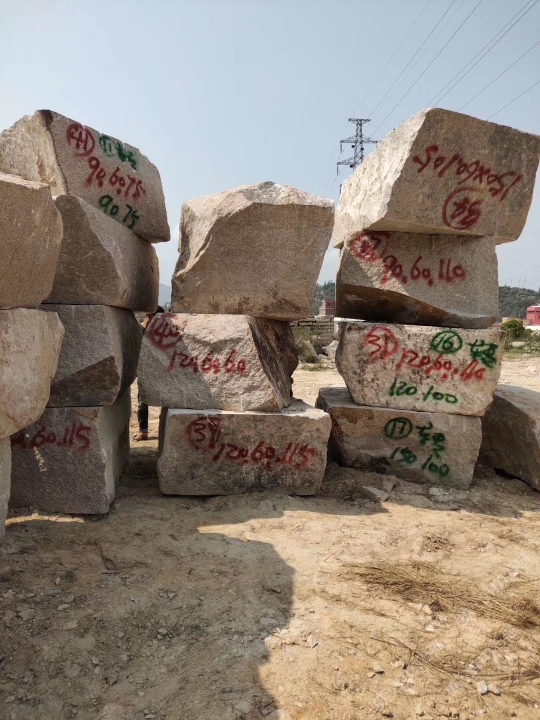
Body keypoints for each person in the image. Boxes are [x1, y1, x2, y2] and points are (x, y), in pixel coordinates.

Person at [133, 306, 164, 441]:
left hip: (159, 371)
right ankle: (143, 431)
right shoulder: (138, 330)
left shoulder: (158, 331)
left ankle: (164, 429)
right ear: (149, 316)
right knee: (142, 402)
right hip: (144, 371)